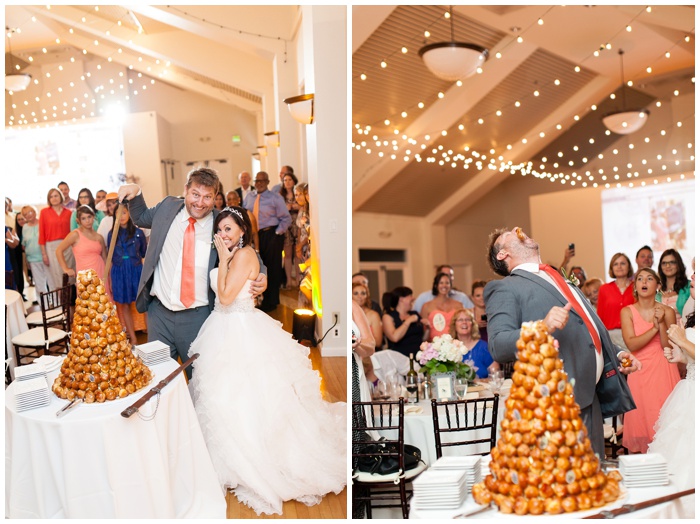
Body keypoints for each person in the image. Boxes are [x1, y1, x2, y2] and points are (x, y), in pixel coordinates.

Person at [187, 207, 345, 515]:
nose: (223, 234)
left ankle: (255, 457)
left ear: (242, 232)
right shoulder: (231, 254)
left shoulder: (243, 255)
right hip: (222, 328)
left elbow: (226, 298)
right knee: (222, 395)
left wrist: (222, 259)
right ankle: (227, 457)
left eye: (229, 229)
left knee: (250, 394)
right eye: (220, 229)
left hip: (241, 328)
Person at [484, 227, 638, 458]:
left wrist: (616, 354)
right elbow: (498, 345)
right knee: (566, 485)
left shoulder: (558, 277)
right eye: (511, 234)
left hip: (589, 397)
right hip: (556, 405)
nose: (521, 232)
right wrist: (541, 327)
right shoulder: (505, 288)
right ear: (502, 254)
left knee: (593, 481)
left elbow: (586, 326)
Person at [118, 167, 268, 379]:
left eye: (208, 197)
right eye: (195, 194)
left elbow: (247, 250)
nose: (200, 202)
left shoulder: (220, 223)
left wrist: (262, 273)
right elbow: (141, 217)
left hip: (199, 318)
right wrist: (136, 191)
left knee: (200, 383)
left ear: (216, 198)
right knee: (157, 380)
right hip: (159, 314)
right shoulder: (168, 208)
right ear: (186, 190)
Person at [620, 268, 680, 453]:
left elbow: (667, 346)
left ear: (658, 285)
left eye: (649, 278)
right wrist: (653, 328)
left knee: (664, 420)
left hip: (663, 369)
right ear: (636, 286)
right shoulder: (627, 311)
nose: (644, 282)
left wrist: (661, 323)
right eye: (640, 279)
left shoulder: (668, 311)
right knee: (641, 421)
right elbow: (632, 345)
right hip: (639, 370)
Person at [648, 258, 694, 489]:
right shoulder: (693, 315)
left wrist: (684, 343)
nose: (692, 277)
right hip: (689, 391)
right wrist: (681, 356)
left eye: (697, 274)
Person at [243, 171, 290, 312]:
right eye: (257, 180)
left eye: (263, 181)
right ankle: (259, 299)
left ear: (268, 182)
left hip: (271, 234)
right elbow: (245, 215)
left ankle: (272, 301)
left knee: (272, 268)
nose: (259, 183)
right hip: (254, 235)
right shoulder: (249, 197)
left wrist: (276, 233)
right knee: (257, 267)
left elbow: (286, 218)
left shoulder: (276, 198)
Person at [107, 207, 147, 343]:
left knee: (144, 303)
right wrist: (111, 281)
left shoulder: (138, 233)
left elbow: (143, 252)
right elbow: (110, 256)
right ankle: (133, 339)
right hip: (119, 271)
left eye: (124, 212)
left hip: (136, 270)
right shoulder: (111, 234)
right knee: (124, 305)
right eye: (118, 213)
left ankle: (151, 335)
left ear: (129, 213)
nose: (121, 216)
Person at [56, 205, 106, 281]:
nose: (87, 221)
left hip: (101, 273)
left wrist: (109, 278)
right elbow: (58, 250)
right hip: (84, 276)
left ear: (93, 217)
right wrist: (66, 269)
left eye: (89, 217)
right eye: (83, 218)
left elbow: (105, 258)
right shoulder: (75, 234)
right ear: (78, 220)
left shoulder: (99, 237)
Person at [596, 252, 634, 349]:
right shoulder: (604, 289)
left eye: (623, 263)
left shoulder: (636, 287)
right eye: (615, 264)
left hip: (633, 335)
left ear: (629, 267)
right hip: (611, 337)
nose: (619, 267)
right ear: (611, 268)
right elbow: (600, 316)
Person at [39, 187, 74, 290]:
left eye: (56, 195)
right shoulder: (44, 212)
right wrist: (44, 254)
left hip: (67, 246)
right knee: (57, 275)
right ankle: (61, 303)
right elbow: (42, 234)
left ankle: (70, 302)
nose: (54, 198)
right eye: (51, 196)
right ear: (48, 199)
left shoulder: (69, 212)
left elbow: (72, 231)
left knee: (69, 273)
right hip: (52, 247)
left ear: (61, 197)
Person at [450, 308, 498, 379]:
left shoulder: (484, 347)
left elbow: (496, 374)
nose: (464, 322)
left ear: (472, 325)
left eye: (467, 320)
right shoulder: (448, 348)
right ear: (454, 325)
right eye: (460, 320)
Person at [382, 286, 423, 358]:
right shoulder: (388, 317)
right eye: (410, 296)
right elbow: (395, 338)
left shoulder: (415, 314)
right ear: (401, 299)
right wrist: (408, 321)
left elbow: (422, 338)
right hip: (399, 358)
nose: (413, 298)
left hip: (418, 356)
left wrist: (428, 328)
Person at [21, 205, 53, 296]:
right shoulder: (25, 227)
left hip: (47, 257)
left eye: (30, 212)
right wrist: (26, 260)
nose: (28, 215)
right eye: (25, 214)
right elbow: (24, 244)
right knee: (39, 285)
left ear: (35, 212)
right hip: (32, 260)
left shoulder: (43, 223)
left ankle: (55, 304)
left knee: (52, 282)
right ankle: (44, 306)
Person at [420, 272, 462, 340]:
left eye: (447, 283)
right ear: (436, 285)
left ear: (450, 285)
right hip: (434, 345)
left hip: (455, 344)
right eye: (441, 283)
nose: (444, 285)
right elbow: (423, 333)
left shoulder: (458, 305)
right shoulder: (426, 306)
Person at [279, 171, 300, 289]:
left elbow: (304, 206)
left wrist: (297, 206)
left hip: (297, 225)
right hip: (286, 226)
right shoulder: (280, 196)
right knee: (287, 254)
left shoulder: (298, 193)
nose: (287, 182)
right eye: (285, 180)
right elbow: (277, 212)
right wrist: (286, 208)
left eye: (289, 180)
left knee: (297, 253)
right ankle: (288, 280)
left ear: (293, 181)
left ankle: (297, 279)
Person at [658, 248, 691, 324]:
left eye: (672, 262)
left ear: (678, 264)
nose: (668, 266)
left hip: (683, 333)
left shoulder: (689, 287)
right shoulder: (657, 290)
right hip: (661, 333)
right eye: (664, 263)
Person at [352, 282, 383, 347]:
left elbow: (378, 342)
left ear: (367, 296)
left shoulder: (373, 315)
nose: (360, 296)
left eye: (363, 293)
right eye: (355, 293)